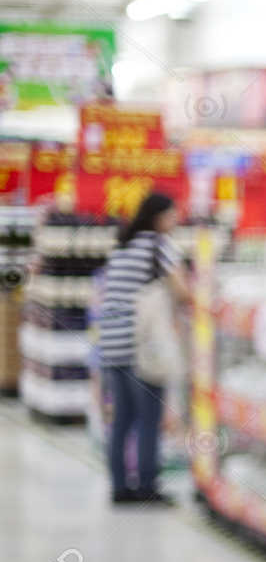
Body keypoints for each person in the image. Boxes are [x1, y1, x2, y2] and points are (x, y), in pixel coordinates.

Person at [98, 192, 192, 505]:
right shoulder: (158, 245)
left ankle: (120, 488)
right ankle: (148, 486)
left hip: (112, 343)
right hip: (144, 345)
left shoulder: (122, 245)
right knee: (149, 418)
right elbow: (181, 290)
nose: (176, 221)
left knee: (122, 419)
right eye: (173, 215)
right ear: (159, 216)